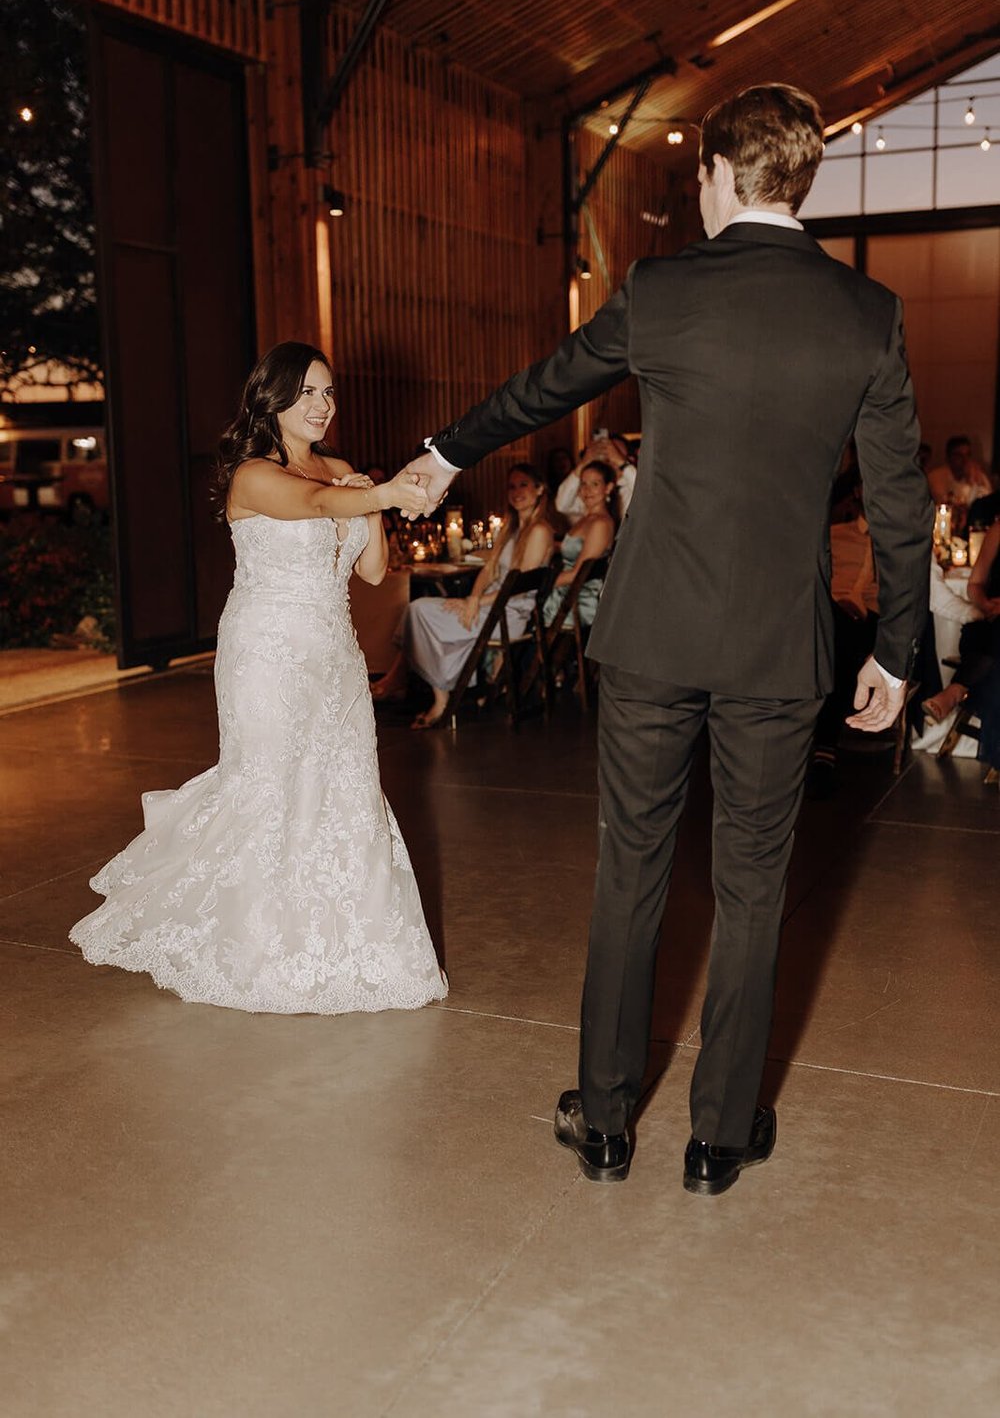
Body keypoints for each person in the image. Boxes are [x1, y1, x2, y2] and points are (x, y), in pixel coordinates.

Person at [407, 84, 931, 1193]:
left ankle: (603, 1124)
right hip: (778, 653)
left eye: (696, 175)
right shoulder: (864, 314)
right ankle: (718, 1137)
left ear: (724, 173)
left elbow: (544, 387)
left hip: (651, 638)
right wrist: (894, 649)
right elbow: (897, 497)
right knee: (752, 886)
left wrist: (446, 452)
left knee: (629, 872)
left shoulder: (661, 289)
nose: (693, 191)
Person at [70, 342, 448, 1014]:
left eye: (329, 393)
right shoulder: (252, 475)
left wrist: (372, 502)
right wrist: (376, 491)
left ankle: (346, 949)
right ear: (270, 398)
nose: (323, 405)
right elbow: (307, 504)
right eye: (307, 392)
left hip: (332, 654)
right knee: (269, 788)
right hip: (266, 653)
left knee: (343, 787)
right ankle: (254, 949)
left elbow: (367, 571)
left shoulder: (339, 471)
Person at [378, 464, 557, 728]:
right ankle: (436, 689)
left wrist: (475, 602)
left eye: (524, 485)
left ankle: (435, 695)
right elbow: (490, 569)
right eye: (511, 486)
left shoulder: (540, 530)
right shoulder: (512, 527)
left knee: (419, 611)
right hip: (490, 604)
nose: (516, 492)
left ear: (540, 489)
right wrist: (472, 597)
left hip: (509, 613)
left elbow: (517, 586)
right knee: (418, 611)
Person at [806, 495, 880, 799]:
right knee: (838, 634)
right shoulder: (836, 533)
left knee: (846, 642)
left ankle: (823, 748)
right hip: (833, 611)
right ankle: (823, 751)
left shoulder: (894, 541)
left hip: (873, 618)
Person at [922, 517, 1000, 725]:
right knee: (984, 633)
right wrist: (985, 604)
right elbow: (974, 584)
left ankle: (955, 692)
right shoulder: (998, 530)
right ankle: (956, 693)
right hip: (990, 622)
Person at [543, 459, 617, 632]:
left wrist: (540, 585)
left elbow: (578, 574)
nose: (586, 490)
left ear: (608, 488)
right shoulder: (586, 519)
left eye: (595, 484)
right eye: (583, 483)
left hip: (575, 602)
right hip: (566, 594)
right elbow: (574, 549)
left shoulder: (601, 524)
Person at [556, 432, 636, 522]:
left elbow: (647, 492)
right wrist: (584, 462)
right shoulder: (595, 490)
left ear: (630, 459)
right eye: (606, 451)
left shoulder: (633, 486)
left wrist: (621, 462)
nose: (609, 456)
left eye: (616, 452)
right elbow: (562, 505)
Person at [927, 435, 992, 510]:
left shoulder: (978, 476)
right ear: (948, 457)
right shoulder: (936, 477)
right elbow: (945, 503)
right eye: (959, 456)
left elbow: (988, 503)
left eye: (968, 455)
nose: (965, 460)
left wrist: (973, 483)